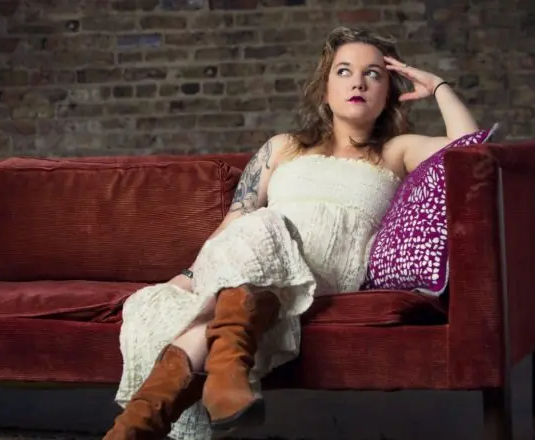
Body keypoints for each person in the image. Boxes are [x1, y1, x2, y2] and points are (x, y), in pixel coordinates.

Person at [104, 26, 479, 440]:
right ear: (325, 89)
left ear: (389, 92)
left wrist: (439, 86)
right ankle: (167, 411)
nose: (357, 81)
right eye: (344, 71)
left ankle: (228, 373)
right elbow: (236, 219)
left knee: (266, 226)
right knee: (203, 325)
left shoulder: (397, 150)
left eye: (374, 73)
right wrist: (192, 276)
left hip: (324, 272)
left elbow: (471, 154)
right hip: (252, 268)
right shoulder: (283, 147)